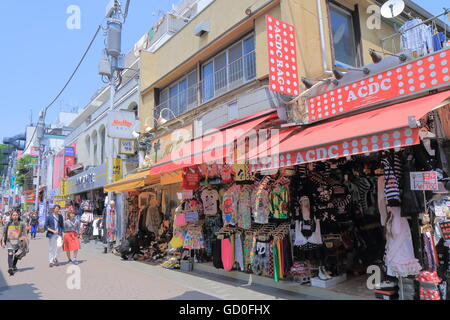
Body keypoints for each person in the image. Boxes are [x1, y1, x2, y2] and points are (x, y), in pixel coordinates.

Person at [1, 211, 28, 276]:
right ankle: (10, 268)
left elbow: (25, 233)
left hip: (18, 243)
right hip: (9, 242)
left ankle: (13, 265)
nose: (15, 216)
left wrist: (25, 241)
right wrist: (2, 241)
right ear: (11, 216)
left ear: (18, 216)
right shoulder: (8, 223)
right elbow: (4, 233)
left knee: (16, 255)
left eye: (16, 215)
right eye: (13, 215)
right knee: (10, 254)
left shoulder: (22, 224)